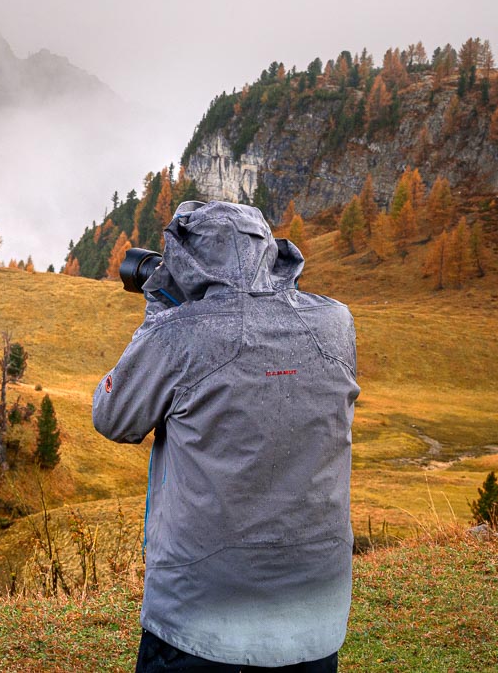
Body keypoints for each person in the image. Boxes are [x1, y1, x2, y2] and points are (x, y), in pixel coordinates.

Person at [93, 200, 359, 672]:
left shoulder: (181, 333)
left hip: (199, 617)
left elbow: (114, 417)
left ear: (185, 262)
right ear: (268, 254)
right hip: (314, 612)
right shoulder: (335, 323)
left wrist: (163, 311)